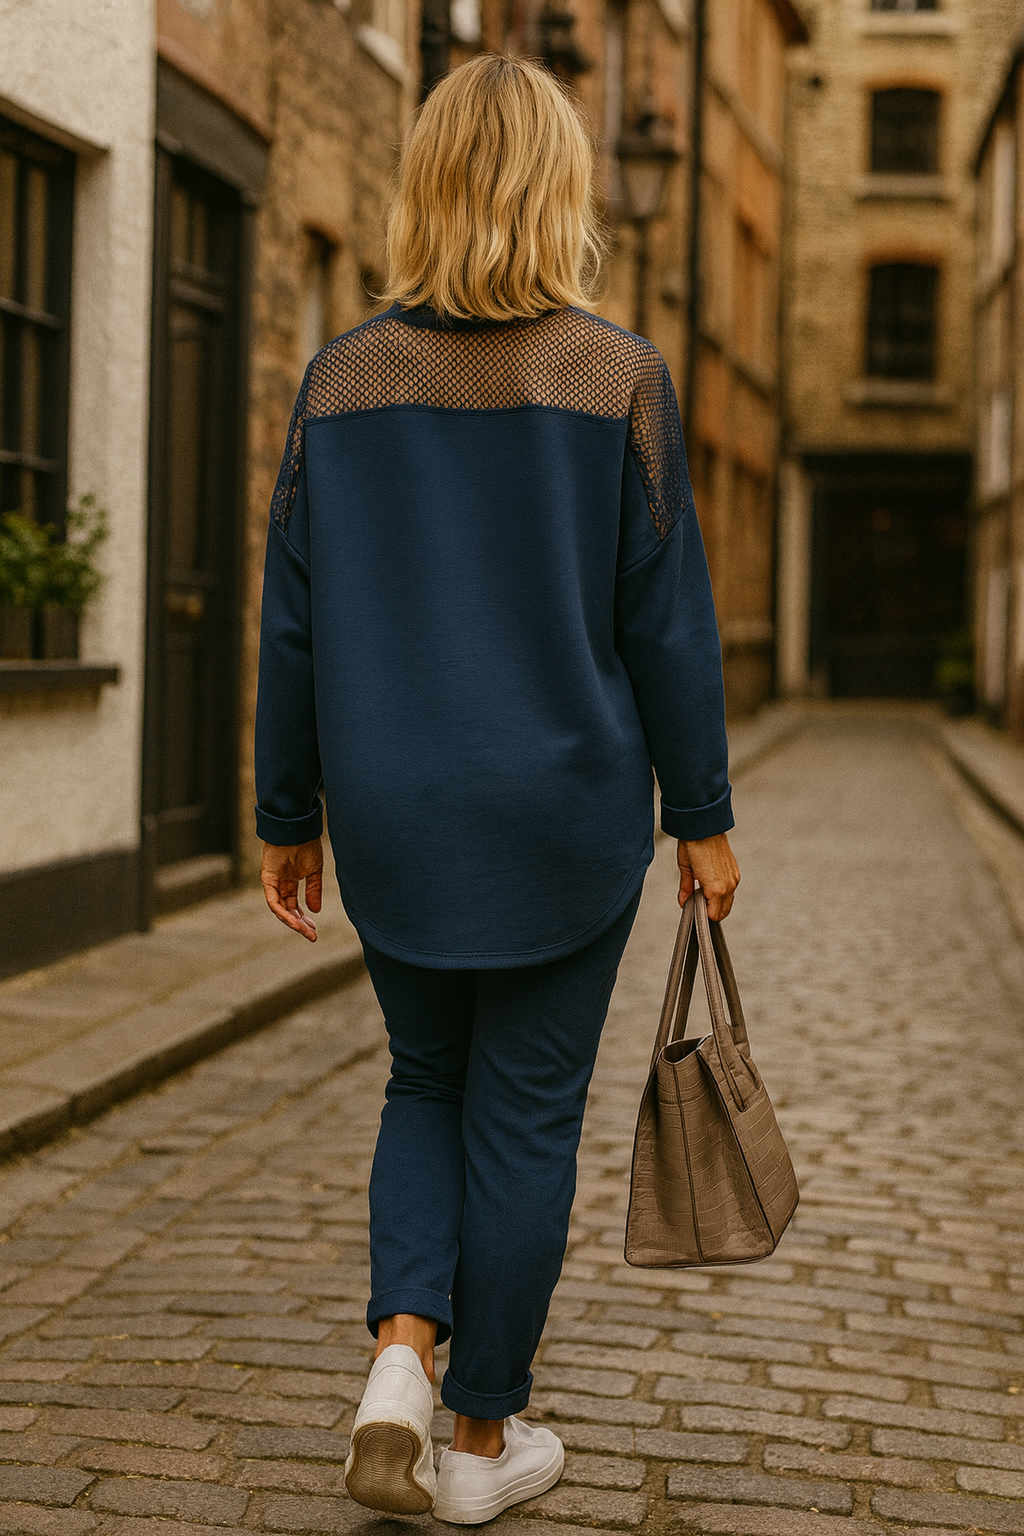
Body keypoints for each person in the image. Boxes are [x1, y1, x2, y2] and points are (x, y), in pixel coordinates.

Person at [255, 52, 740, 1526]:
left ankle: (400, 1350)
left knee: (425, 1078)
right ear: (560, 189)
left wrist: (288, 815)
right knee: (525, 1114)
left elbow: (293, 615)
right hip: (562, 818)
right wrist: (704, 816)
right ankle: (480, 1443)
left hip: (397, 813)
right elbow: (669, 622)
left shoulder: (342, 379)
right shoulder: (618, 379)